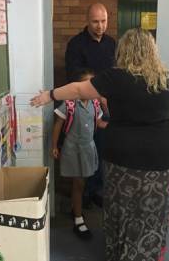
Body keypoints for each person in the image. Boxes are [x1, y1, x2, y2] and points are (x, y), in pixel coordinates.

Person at [31, 28, 169, 261]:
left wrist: (50, 94)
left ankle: (122, 254)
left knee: (123, 210)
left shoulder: (117, 77)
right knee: (154, 212)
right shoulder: (167, 79)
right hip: (162, 157)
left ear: (124, 51)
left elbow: (79, 89)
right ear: (152, 50)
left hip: (125, 158)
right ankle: (150, 253)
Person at [64, 2, 116, 208]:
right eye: (95, 21)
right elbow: (73, 77)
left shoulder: (112, 43)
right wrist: (97, 95)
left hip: (107, 107)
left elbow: (116, 73)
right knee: (85, 149)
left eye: (103, 21)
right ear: (87, 20)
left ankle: (97, 190)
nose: (100, 26)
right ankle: (82, 194)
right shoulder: (76, 44)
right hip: (83, 106)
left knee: (102, 149)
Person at [51, 69, 107, 240]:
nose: (91, 89)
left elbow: (99, 122)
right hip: (73, 148)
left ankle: (76, 209)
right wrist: (54, 145)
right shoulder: (69, 104)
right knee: (78, 183)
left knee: (84, 181)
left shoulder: (95, 105)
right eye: (87, 85)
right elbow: (58, 125)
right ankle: (78, 218)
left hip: (89, 148)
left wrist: (116, 124)